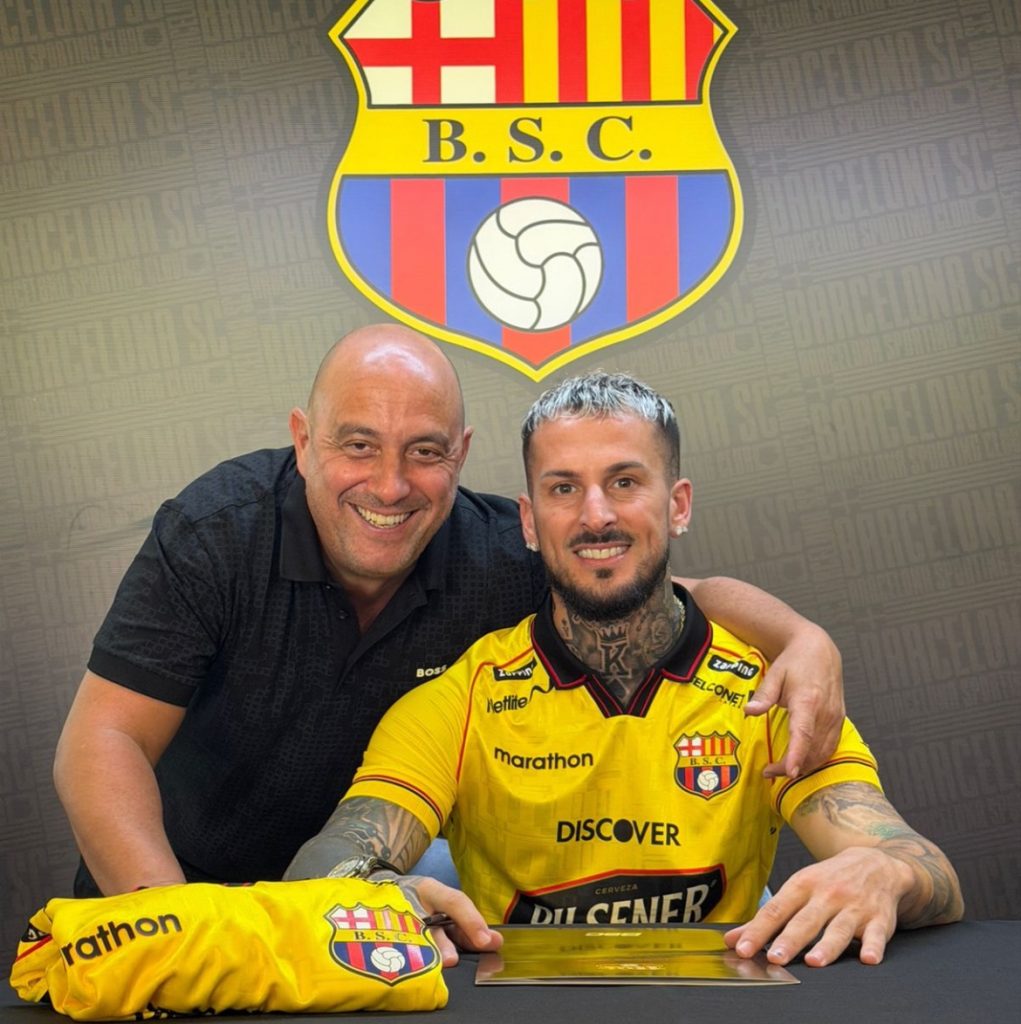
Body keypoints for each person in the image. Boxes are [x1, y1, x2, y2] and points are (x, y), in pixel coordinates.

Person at [55, 325, 845, 898]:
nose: (390, 484)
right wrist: (179, 927)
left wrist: (801, 638)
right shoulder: (217, 533)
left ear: (460, 455)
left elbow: (666, 589)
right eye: (357, 445)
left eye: (424, 452)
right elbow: (102, 741)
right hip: (164, 883)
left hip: (355, 906)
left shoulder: (500, 555)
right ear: (302, 441)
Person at [284, 370, 963, 970]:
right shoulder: (460, 697)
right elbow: (329, 858)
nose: (596, 515)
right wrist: (374, 888)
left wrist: (883, 871)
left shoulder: (770, 690)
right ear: (528, 522)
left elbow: (926, 871)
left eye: (625, 482)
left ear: (678, 505)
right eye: (563, 488)